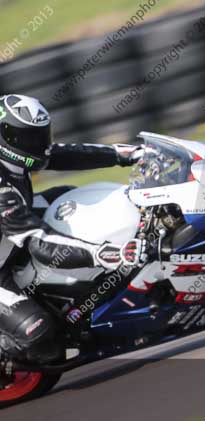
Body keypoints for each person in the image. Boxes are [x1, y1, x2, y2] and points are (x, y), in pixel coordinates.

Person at [0, 94, 143, 365]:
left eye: (41, 136)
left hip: (10, 233)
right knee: (41, 337)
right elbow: (39, 244)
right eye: (29, 139)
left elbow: (62, 154)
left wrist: (123, 155)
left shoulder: (14, 157)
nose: (38, 146)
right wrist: (100, 254)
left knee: (68, 197)